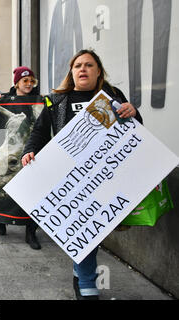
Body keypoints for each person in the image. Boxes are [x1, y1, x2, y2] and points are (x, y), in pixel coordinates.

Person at [22, 49, 143, 300]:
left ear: (98, 71)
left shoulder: (111, 96)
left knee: (94, 231)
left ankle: (80, 275)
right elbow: (40, 131)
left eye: (89, 65)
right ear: (72, 71)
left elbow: (135, 130)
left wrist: (134, 112)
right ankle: (87, 282)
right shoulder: (56, 100)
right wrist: (31, 150)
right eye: (78, 65)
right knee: (84, 231)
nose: (82, 69)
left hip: (105, 176)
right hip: (72, 179)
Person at [0, 66, 42, 250]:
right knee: (7, 188)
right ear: (17, 82)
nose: (28, 84)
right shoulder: (6, 99)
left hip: (32, 154)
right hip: (11, 152)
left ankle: (31, 232)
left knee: (32, 193)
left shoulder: (41, 101)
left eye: (31, 81)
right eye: (25, 80)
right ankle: (2, 220)